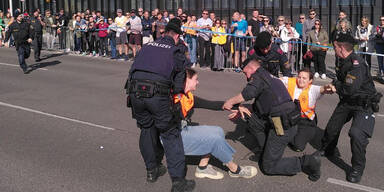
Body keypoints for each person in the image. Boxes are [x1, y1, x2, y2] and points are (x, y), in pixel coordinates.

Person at [223, 58, 321, 181]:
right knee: (252, 120)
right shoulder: (269, 77)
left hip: (282, 125)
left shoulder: (259, 78)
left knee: (268, 167)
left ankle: (308, 162)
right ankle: (266, 151)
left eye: (245, 72)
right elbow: (262, 104)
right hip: (281, 119)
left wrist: (230, 102)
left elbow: (248, 93)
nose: (245, 75)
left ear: (251, 68)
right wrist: (241, 108)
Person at [126, 18, 195, 192]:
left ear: (164, 33)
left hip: (134, 92)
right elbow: (180, 81)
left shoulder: (148, 45)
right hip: (158, 94)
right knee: (171, 134)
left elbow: (133, 68)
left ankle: (152, 171)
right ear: (178, 35)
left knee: (147, 129)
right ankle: (178, 182)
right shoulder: (176, 49)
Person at [174, 68, 257, 179]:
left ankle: (202, 168)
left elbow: (211, 104)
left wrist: (238, 106)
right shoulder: (174, 100)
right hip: (173, 138)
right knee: (213, 139)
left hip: (182, 130)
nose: (198, 82)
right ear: (186, 81)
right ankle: (235, 170)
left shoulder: (187, 96)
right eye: (195, 79)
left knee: (217, 131)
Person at [319, 33, 381, 183]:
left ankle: (357, 168)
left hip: (363, 105)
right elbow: (341, 80)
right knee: (332, 128)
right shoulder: (343, 60)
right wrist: (335, 83)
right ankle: (329, 149)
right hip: (347, 101)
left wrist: (335, 86)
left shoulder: (356, 64)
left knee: (356, 135)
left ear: (341, 47)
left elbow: (349, 88)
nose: (334, 49)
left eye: (335, 47)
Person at [281, 68, 335, 152]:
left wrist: (328, 87)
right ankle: (289, 133)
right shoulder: (291, 82)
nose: (300, 80)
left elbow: (322, 89)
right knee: (278, 133)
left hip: (305, 121)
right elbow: (275, 80)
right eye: (299, 77)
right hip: (291, 118)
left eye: (304, 78)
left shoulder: (313, 89)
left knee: (298, 146)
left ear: (310, 81)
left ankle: (308, 132)